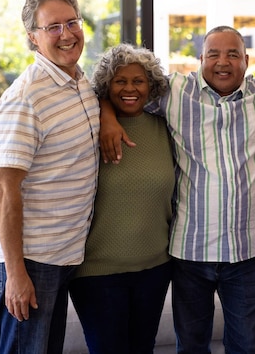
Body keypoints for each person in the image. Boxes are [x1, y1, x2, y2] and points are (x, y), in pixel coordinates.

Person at [99, 26, 255, 353]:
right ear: (200, 59)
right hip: (190, 254)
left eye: (232, 54)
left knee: (244, 347)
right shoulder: (173, 92)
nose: (222, 62)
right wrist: (107, 117)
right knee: (191, 348)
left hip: (245, 251)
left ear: (246, 60)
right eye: (213, 54)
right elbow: (116, 89)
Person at [0, 0, 100, 354]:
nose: (66, 34)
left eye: (72, 22)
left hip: (64, 255)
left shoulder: (79, 81)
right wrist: (16, 274)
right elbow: (4, 189)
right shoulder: (25, 98)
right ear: (33, 38)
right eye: (53, 27)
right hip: (31, 260)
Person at [68, 43, 174, 353]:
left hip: (155, 268)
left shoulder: (166, 128)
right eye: (120, 81)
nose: (130, 88)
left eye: (138, 81)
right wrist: (105, 113)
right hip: (96, 272)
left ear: (150, 85)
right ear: (106, 87)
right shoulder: (90, 127)